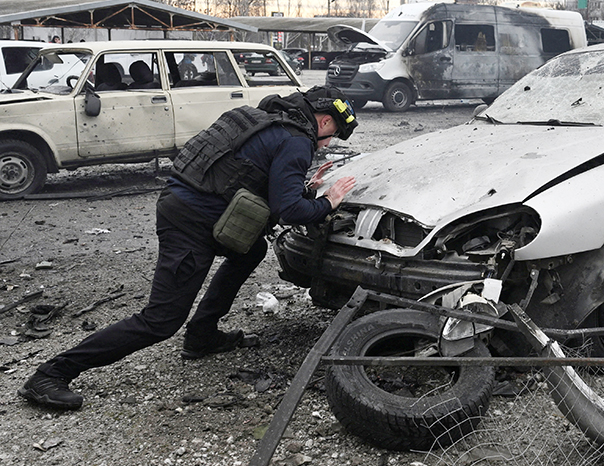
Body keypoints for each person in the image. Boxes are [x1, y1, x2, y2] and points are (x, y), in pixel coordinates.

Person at [18, 88, 359, 410]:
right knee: (161, 320)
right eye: (329, 138)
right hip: (191, 223)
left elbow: (246, 174)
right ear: (326, 121)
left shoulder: (264, 118)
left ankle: (202, 336)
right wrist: (329, 200)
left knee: (250, 251)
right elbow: (290, 211)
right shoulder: (297, 139)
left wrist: (302, 186)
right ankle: (51, 373)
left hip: (189, 204)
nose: (324, 145)